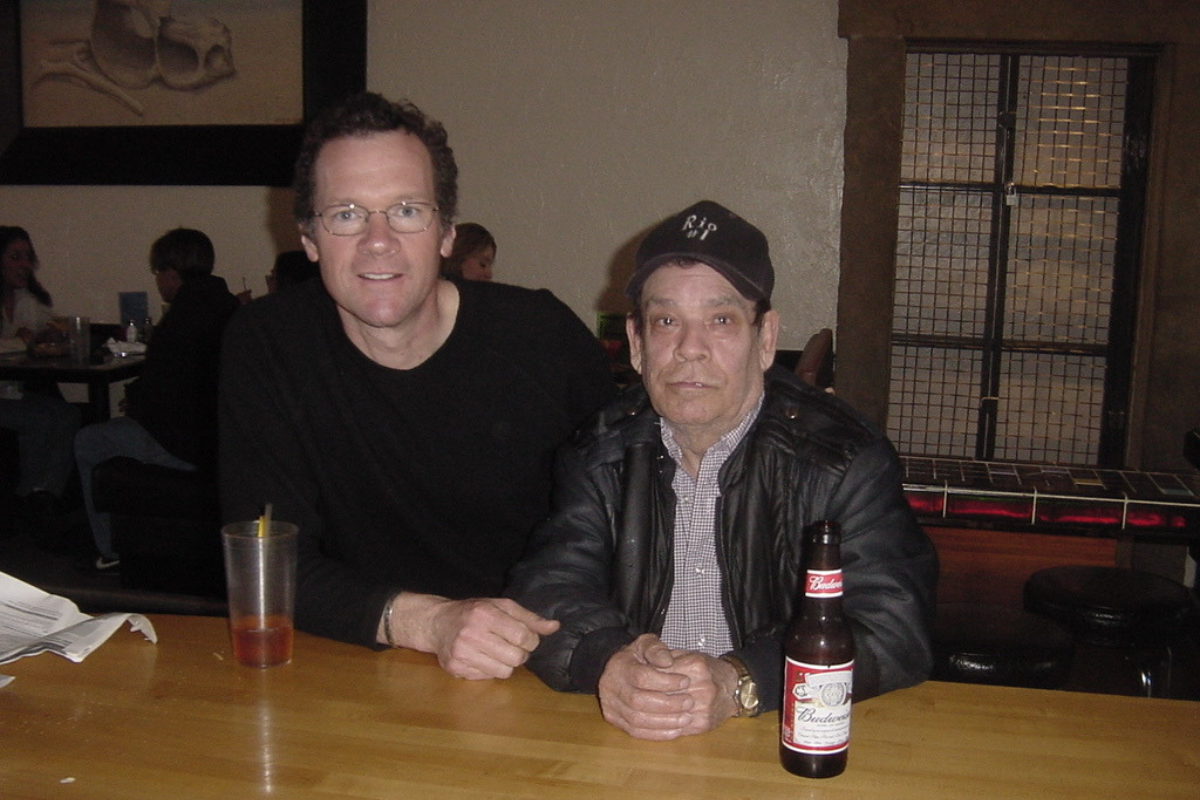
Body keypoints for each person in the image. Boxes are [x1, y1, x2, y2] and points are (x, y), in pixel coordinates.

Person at [218, 92, 615, 680]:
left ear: (447, 232)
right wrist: (432, 623)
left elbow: (632, 514)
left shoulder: (540, 335)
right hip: (359, 666)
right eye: (347, 214)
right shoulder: (268, 344)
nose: (378, 241)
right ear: (308, 238)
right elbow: (270, 564)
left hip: (544, 660)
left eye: (406, 210)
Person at [508, 200, 937, 740]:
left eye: (720, 320)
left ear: (764, 339)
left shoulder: (843, 461)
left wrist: (741, 681)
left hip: (777, 736)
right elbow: (547, 587)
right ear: (637, 344)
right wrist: (607, 662)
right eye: (667, 321)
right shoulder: (598, 451)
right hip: (629, 739)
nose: (690, 349)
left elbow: (893, 628)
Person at [75, 228, 240, 569]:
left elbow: (160, 396)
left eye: (158, 273)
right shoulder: (230, 307)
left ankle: (109, 550)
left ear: (171, 273)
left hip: (184, 443)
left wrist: (134, 402)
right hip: (222, 441)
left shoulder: (180, 319)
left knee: (88, 440)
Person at [0, 226, 81, 533]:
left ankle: (41, 494)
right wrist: (21, 342)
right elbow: (21, 341)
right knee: (41, 420)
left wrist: (52, 333)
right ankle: (31, 499)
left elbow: (46, 323)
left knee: (68, 414)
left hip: (11, 392)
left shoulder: (25, 299)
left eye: (27, 258)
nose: (24, 265)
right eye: (15, 257)